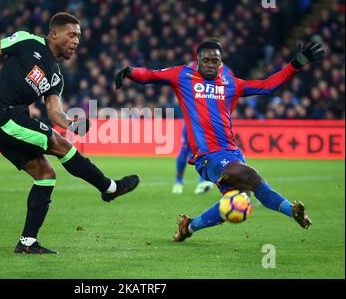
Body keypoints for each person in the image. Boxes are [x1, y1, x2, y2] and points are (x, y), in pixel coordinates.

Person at [0, 12, 140, 254]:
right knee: (59, 144)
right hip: (1, 114)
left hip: (9, 120)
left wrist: (72, 124)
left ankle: (27, 243)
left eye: (79, 37)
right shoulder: (28, 42)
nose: (76, 41)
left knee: (46, 173)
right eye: (72, 35)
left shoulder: (56, 76)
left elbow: (55, 112)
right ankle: (109, 188)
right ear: (54, 34)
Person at [115, 39, 324, 242]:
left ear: (220, 62)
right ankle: (290, 210)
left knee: (238, 200)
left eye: (215, 61)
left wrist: (296, 64)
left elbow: (267, 86)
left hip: (232, 153)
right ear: (197, 60)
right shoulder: (183, 75)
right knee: (251, 175)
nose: (210, 65)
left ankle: (188, 226)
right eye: (206, 60)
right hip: (207, 157)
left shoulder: (230, 84)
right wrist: (129, 72)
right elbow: (151, 75)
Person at [172, 121, 215, 194]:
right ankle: (178, 181)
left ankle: (202, 181)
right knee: (184, 150)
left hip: (205, 121)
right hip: (191, 121)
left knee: (203, 150)